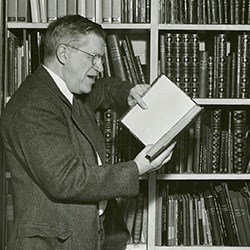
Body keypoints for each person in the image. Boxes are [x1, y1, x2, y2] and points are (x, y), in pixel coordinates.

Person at [0, 15, 175, 250]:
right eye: (94, 57)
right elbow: (66, 180)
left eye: (101, 58)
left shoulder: (66, 89)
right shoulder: (32, 106)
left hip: (90, 237)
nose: (100, 67)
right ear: (63, 54)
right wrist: (137, 169)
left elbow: (103, 89)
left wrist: (129, 92)